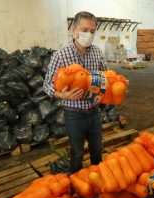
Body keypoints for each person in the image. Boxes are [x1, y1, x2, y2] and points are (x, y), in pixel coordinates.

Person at [44, 11, 108, 174]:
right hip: (73, 113)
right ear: (74, 29)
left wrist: (117, 82)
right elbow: (47, 84)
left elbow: (107, 76)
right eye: (85, 30)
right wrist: (61, 95)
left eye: (92, 31)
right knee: (77, 153)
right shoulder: (60, 55)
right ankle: (77, 186)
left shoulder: (97, 53)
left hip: (94, 112)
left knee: (97, 150)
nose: (89, 34)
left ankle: (96, 182)